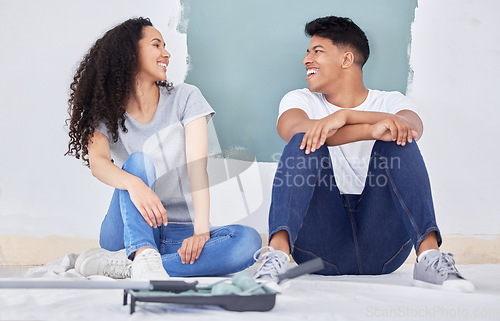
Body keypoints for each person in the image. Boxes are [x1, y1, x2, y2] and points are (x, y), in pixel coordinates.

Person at [253, 16, 474, 292]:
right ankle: (277, 257)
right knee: (305, 140)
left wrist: (344, 116)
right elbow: (293, 129)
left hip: (383, 246)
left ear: (346, 60)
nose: (306, 60)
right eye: (308, 52)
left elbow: (412, 127)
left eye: (316, 51)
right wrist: (370, 129)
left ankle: (429, 257)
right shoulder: (300, 100)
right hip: (319, 248)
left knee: (398, 138)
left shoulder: (391, 100)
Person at [66, 17, 261, 280]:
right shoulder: (106, 111)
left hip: (178, 229)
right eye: (156, 45)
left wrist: (201, 231)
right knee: (137, 164)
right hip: (125, 230)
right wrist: (136, 185)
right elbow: (99, 163)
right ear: (129, 54)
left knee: (248, 242)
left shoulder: (186, 98)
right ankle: (143, 252)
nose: (166, 53)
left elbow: (197, 168)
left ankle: (132, 266)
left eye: (165, 46)